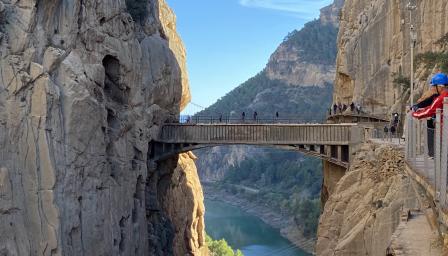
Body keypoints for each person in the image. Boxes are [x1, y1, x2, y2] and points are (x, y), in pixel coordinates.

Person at [412, 73, 448, 157]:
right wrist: (422, 108)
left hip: (444, 131)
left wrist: (415, 114)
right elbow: (431, 107)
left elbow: (429, 111)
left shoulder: (441, 97)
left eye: (434, 86)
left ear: (440, 86)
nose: (433, 89)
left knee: (443, 159)